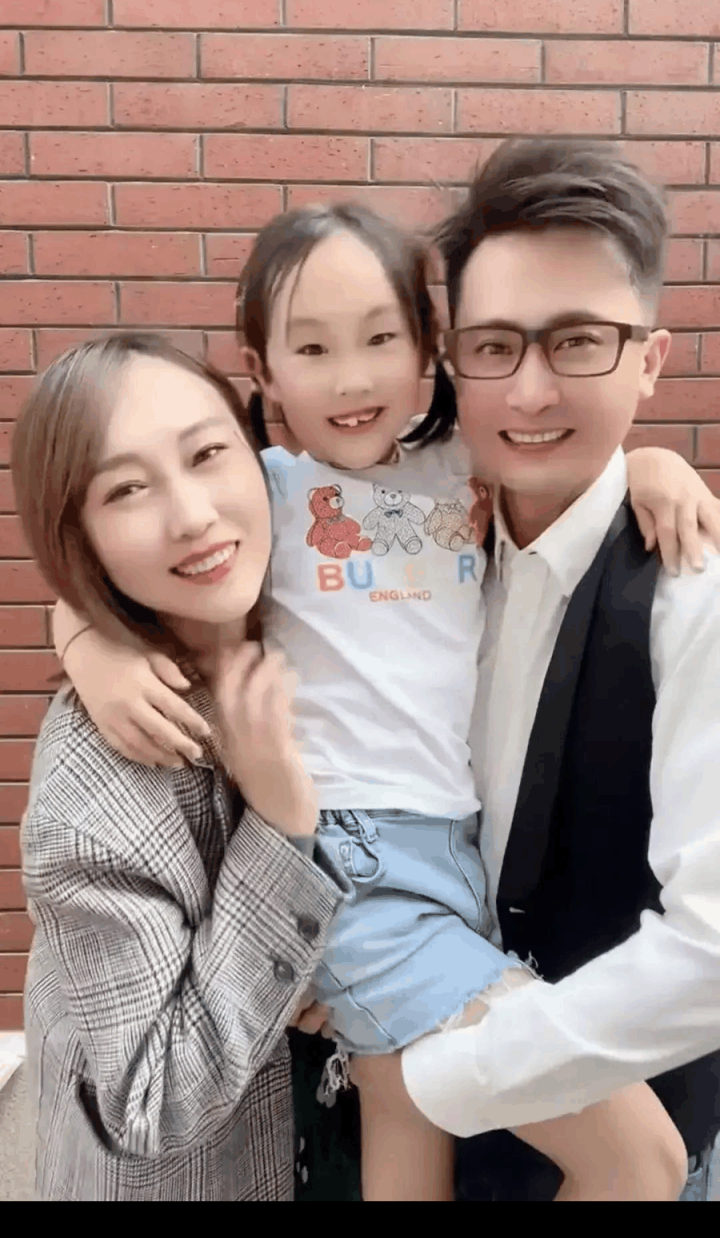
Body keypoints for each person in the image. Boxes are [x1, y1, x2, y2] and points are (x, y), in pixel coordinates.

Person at [51, 204, 720, 1202]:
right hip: (354, 861)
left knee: (408, 1134)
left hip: (457, 856)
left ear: (427, 347)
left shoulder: (461, 465)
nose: (352, 379)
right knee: (639, 1158)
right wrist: (91, 645)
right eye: (312, 349)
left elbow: (579, 457)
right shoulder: (264, 488)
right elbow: (120, 562)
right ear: (262, 368)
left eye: (379, 338)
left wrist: (655, 467)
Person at [386, 138, 720, 1203]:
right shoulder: (409, 539)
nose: (530, 391)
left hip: (632, 1151)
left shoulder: (693, 596)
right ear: (453, 359)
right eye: (494, 346)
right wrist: (88, 635)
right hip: (409, 1142)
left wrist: (448, 1073)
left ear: (650, 360)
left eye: (578, 341)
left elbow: (712, 948)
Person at [11, 334, 350, 1202]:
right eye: (126, 489)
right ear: (77, 535)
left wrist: (647, 474)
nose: (193, 514)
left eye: (206, 454)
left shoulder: (333, 596)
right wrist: (277, 827)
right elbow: (150, 1103)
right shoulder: (95, 793)